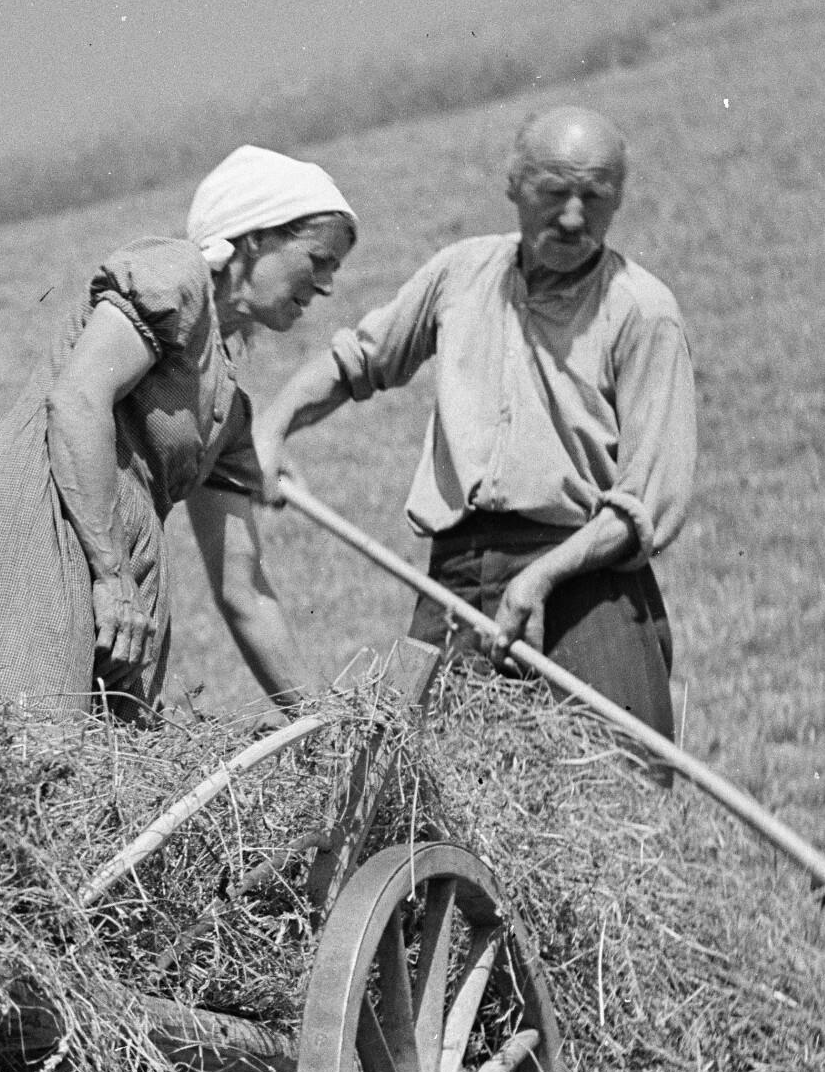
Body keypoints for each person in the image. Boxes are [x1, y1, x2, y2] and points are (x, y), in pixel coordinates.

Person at [251, 101, 695, 736]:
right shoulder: (462, 274)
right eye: (553, 192)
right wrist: (273, 426)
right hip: (456, 579)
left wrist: (542, 576)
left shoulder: (644, 313)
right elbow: (360, 360)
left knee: (608, 792)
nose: (573, 218)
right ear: (513, 186)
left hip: (583, 581)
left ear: (618, 200)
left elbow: (646, 505)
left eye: (594, 198)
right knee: (424, 796)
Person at [0, 147, 360, 717]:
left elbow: (242, 591)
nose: (325, 286)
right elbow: (77, 399)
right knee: (18, 756)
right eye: (317, 259)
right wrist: (113, 574)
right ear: (254, 239)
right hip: (43, 525)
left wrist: (329, 722)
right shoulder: (175, 274)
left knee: (95, 783)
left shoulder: (229, 413)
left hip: (111, 566)